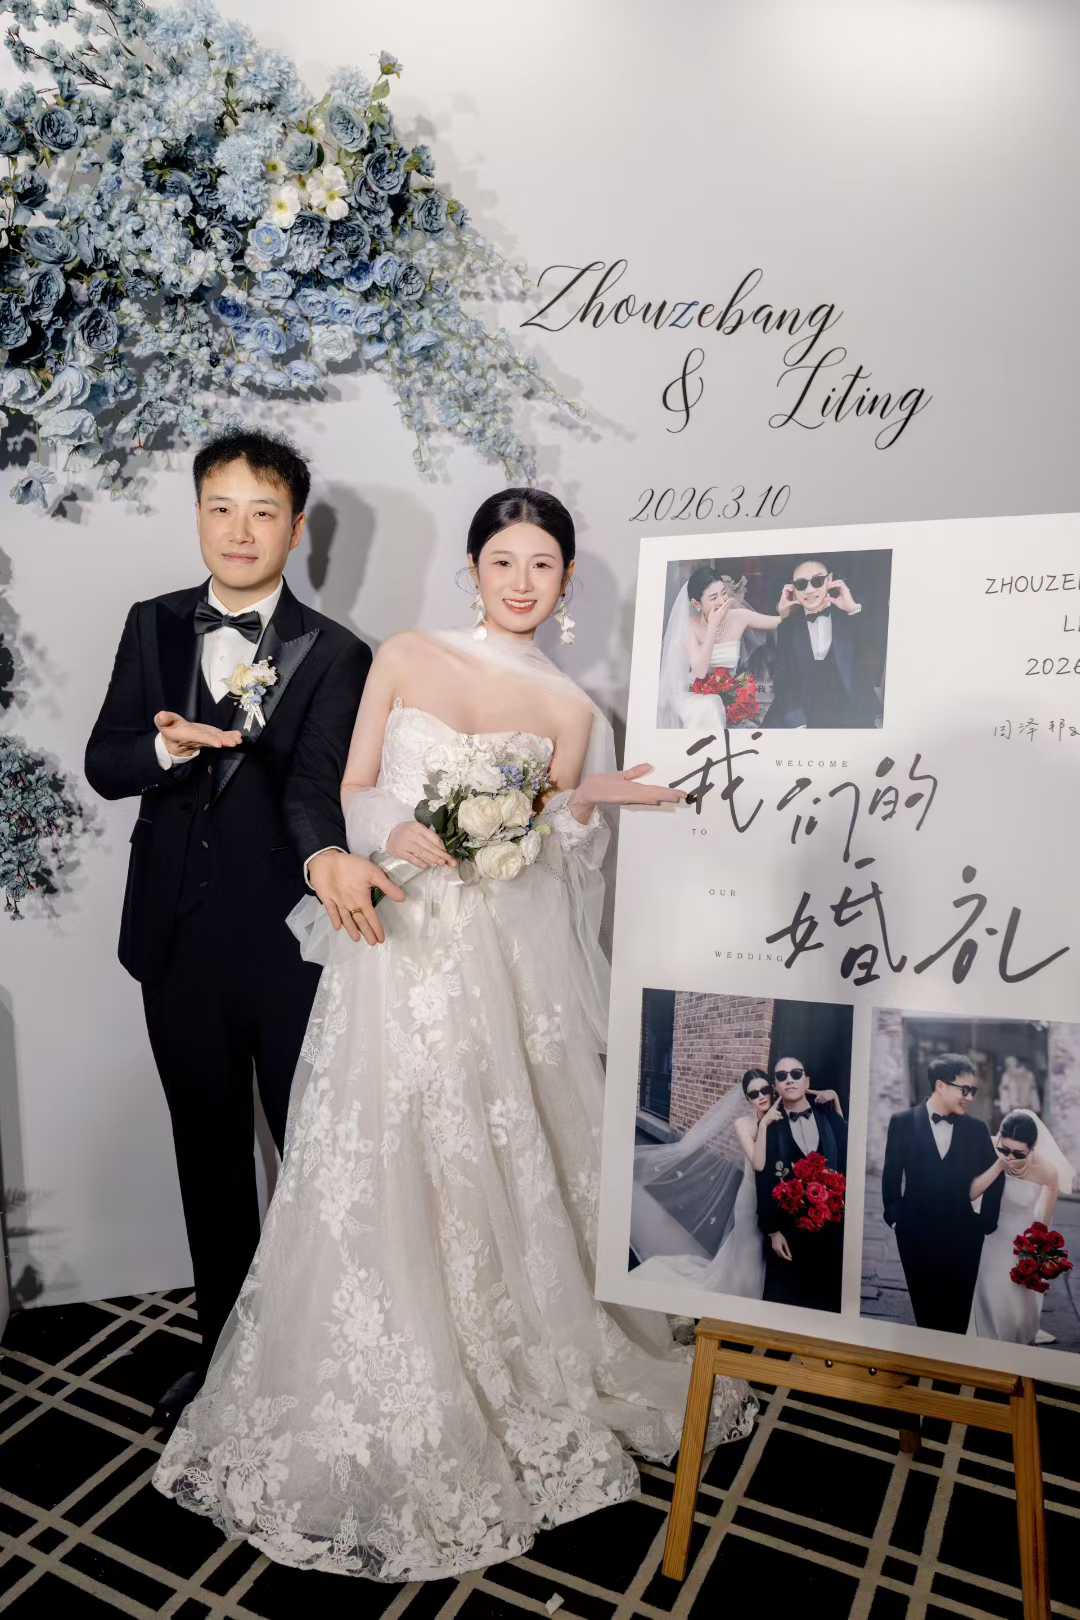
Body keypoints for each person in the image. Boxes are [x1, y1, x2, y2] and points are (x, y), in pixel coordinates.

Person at [152, 488, 757, 1581]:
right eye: (504, 561)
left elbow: (559, 860)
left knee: (485, 1152)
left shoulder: (570, 706)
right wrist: (399, 829)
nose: (522, 582)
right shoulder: (407, 654)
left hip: (496, 966)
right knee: (384, 1152)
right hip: (395, 943)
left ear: (566, 584)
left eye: (543, 566)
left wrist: (579, 808)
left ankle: (500, 1361)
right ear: (473, 569)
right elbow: (352, 786)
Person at [85, 431, 399, 1432]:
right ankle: (224, 1364)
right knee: (209, 1165)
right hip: (174, 942)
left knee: (316, 1164)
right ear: (198, 516)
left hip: (289, 949)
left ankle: (322, 1372)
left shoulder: (338, 652)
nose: (239, 529)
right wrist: (164, 751)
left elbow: (314, 793)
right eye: (220, 507)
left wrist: (328, 859)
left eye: (263, 512)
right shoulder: (151, 625)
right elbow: (105, 761)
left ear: (296, 529)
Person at [631, 1069, 843, 1301]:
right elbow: (758, 1163)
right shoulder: (744, 1124)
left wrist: (832, 1094)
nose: (761, 1097)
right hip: (751, 1198)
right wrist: (764, 1125)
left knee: (770, 1256)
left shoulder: (782, 1111)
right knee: (750, 1252)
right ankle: (742, 1300)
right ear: (747, 1098)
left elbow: (800, 1091)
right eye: (753, 1094)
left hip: (776, 1198)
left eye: (764, 1090)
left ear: (772, 1089)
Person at [881, 1054, 1004, 1334]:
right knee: (926, 1316)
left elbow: (997, 1174)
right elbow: (891, 1175)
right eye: (965, 1090)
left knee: (956, 1319)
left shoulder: (977, 1130)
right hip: (915, 1234)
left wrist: (986, 1223)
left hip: (964, 1237)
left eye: (973, 1091)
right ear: (940, 1085)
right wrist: (896, 1217)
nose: (970, 1098)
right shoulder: (902, 1122)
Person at [967, 1109, 1074, 1344]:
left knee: (1017, 1305)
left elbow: (1044, 1222)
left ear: (1032, 1150)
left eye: (1018, 1153)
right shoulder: (989, 1149)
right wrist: (998, 1165)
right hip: (991, 1236)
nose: (1010, 1157)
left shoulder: (1047, 1171)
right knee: (991, 1292)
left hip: (1022, 1240)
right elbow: (971, 1193)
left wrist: (1036, 1253)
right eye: (1004, 1149)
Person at [756, 1056, 848, 1312]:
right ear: (776, 1086)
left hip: (831, 1231)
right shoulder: (770, 1126)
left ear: (807, 1081)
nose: (789, 1080)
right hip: (789, 1232)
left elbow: (847, 1160)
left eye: (796, 1074)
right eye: (782, 1076)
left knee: (826, 1303)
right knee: (786, 1306)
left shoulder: (830, 1117)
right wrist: (773, 1232)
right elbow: (763, 1178)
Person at [657, 564, 784, 730]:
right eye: (713, 597)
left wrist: (784, 609)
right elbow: (700, 671)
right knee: (709, 705)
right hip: (694, 697)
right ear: (696, 604)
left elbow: (780, 622)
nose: (722, 601)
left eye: (724, 593)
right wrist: (712, 627)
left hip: (728, 697)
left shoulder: (739, 617)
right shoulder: (689, 627)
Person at [765, 557, 883, 729]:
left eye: (817, 581)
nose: (809, 590)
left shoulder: (850, 617)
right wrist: (797, 722)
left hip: (850, 713)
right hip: (804, 713)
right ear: (793, 589)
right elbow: (782, 681)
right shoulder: (788, 625)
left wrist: (853, 609)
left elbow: (875, 656)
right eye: (801, 584)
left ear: (830, 580)